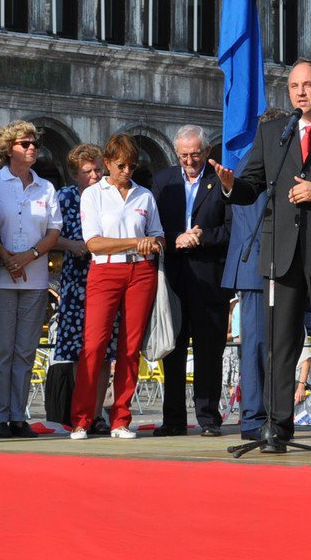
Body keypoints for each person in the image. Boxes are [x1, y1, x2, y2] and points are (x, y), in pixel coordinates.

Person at [213, 60, 311, 456]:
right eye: (292, 87)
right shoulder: (274, 132)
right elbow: (252, 185)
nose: (299, 93)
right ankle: (276, 428)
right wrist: (232, 186)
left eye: (307, 85)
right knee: (280, 344)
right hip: (281, 255)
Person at [73, 133, 164, 439]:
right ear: (108, 163)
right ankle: (83, 418)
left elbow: (159, 236)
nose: (127, 171)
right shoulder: (93, 194)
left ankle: (120, 418)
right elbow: (94, 242)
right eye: (122, 164)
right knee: (94, 345)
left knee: (130, 347)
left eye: (132, 165)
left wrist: (153, 243)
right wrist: (135, 241)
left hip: (140, 270)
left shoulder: (144, 195)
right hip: (105, 269)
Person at [0, 120, 62, 439]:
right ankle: (0, 416)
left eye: (34, 144)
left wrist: (28, 256)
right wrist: (7, 258)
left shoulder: (46, 187)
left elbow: (54, 230)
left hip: (36, 277)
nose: (32, 149)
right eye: (25, 144)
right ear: (8, 149)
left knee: (26, 351)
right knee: (0, 351)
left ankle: (18, 415)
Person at [153, 124, 234, 436]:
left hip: (209, 278)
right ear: (176, 154)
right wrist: (178, 238)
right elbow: (153, 226)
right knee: (172, 350)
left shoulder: (221, 181)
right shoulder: (163, 181)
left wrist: (201, 237)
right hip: (173, 278)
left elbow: (230, 229)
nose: (190, 161)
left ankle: (208, 418)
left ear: (207, 152)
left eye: (196, 155)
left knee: (208, 351)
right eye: (184, 155)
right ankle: (172, 419)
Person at [219, 108, 289, 441]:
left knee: (269, 344)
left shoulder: (254, 161)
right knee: (258, 345)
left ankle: (265, 413)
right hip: (260, 267)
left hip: (267, 266)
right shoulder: (255, 164)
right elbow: (259, 219)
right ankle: (253, 417)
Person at [51, 144, 110, 433]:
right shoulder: (64, 197)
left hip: (108, 277)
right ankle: (81, 413)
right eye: (88, 171)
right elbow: (49, 235)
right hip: (77, 282)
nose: (95, 176)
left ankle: (97, 413)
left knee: (104, 352)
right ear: (75, 174)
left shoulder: (111, 196)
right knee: (78, 352)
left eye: (98, 169)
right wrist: (70, 244)